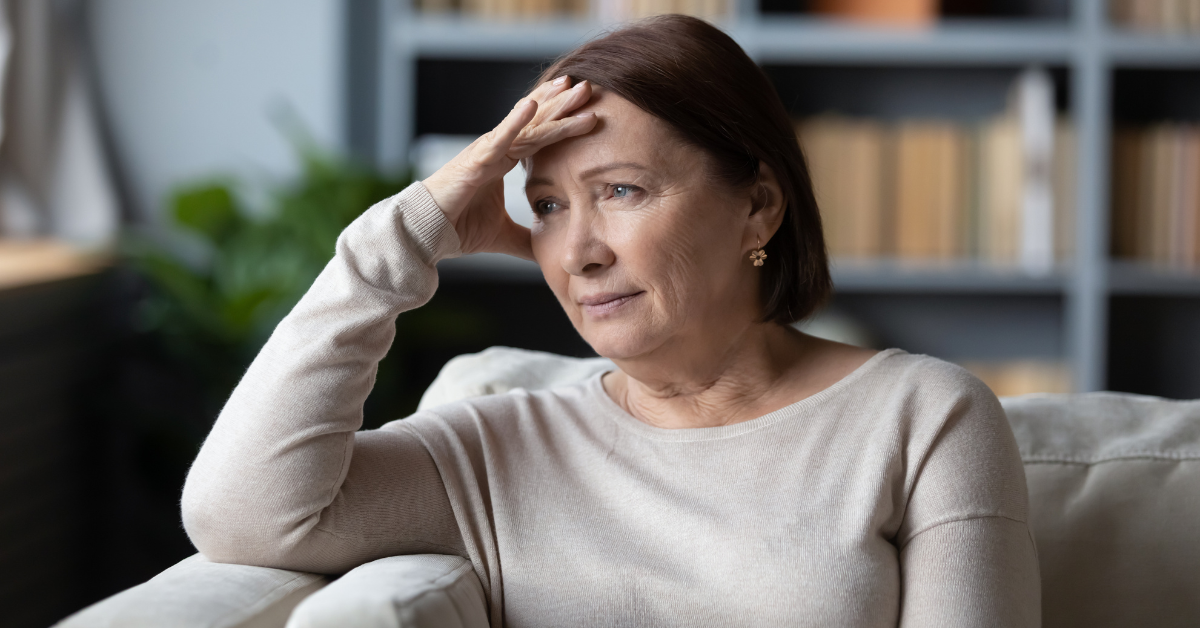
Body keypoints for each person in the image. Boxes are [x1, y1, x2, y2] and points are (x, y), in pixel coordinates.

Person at [182, 14, 1040, 627]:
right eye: (548, 205)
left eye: (621, 191)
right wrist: (404, 239)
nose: (578, 252)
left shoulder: (924, 417)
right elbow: (242, 516)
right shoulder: (495, 449)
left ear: (759, 207)